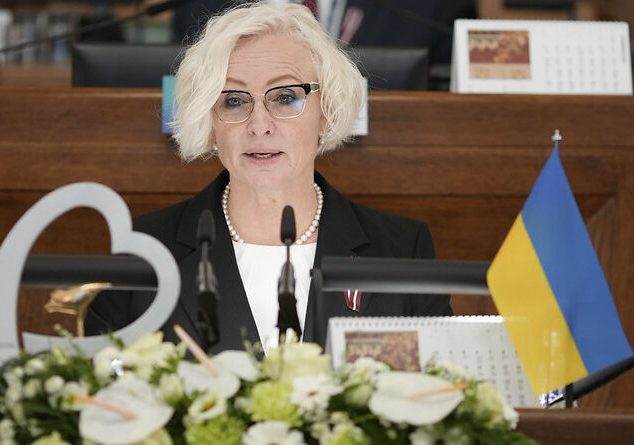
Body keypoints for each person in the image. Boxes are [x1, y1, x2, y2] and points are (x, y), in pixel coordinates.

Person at [85, 1, 452, 353]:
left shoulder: (402, 249)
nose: (259, 125)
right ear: (208, 120)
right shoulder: (145, 251)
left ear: (326, 111)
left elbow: (441, 384)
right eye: (233, 100)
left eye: (286, 98)